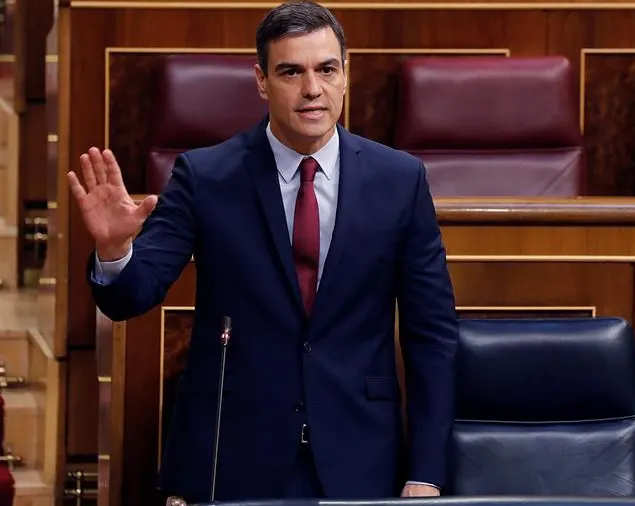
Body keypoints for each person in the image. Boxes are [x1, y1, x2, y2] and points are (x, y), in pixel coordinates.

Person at [66, 1, 459, 503]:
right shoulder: (205, 176)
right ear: (262, 80)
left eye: (326, 69)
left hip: (360, 456)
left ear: (345, 74)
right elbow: (130, 297)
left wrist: (426, 472)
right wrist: (116, 248)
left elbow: (433, 336)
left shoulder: (401, 181)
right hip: (230, 458)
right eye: (291, 71)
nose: (311, 89)